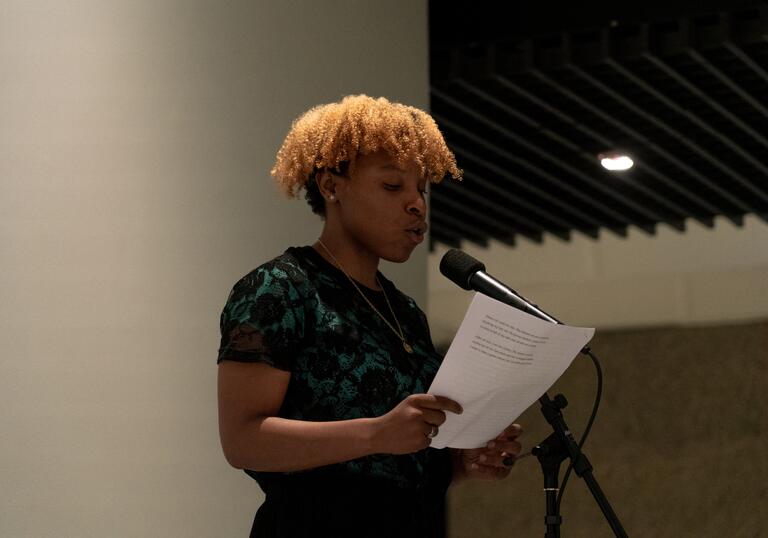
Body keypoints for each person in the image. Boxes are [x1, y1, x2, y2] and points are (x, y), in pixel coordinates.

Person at [216, 95, 523, 538]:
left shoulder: (405, 313)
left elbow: (403, 467)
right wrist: (377, 434)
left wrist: (463, 463)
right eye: (393, 186)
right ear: (331, 186)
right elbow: (242, 440)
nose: (417, 204)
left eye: (423, 188)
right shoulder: (279, 288)